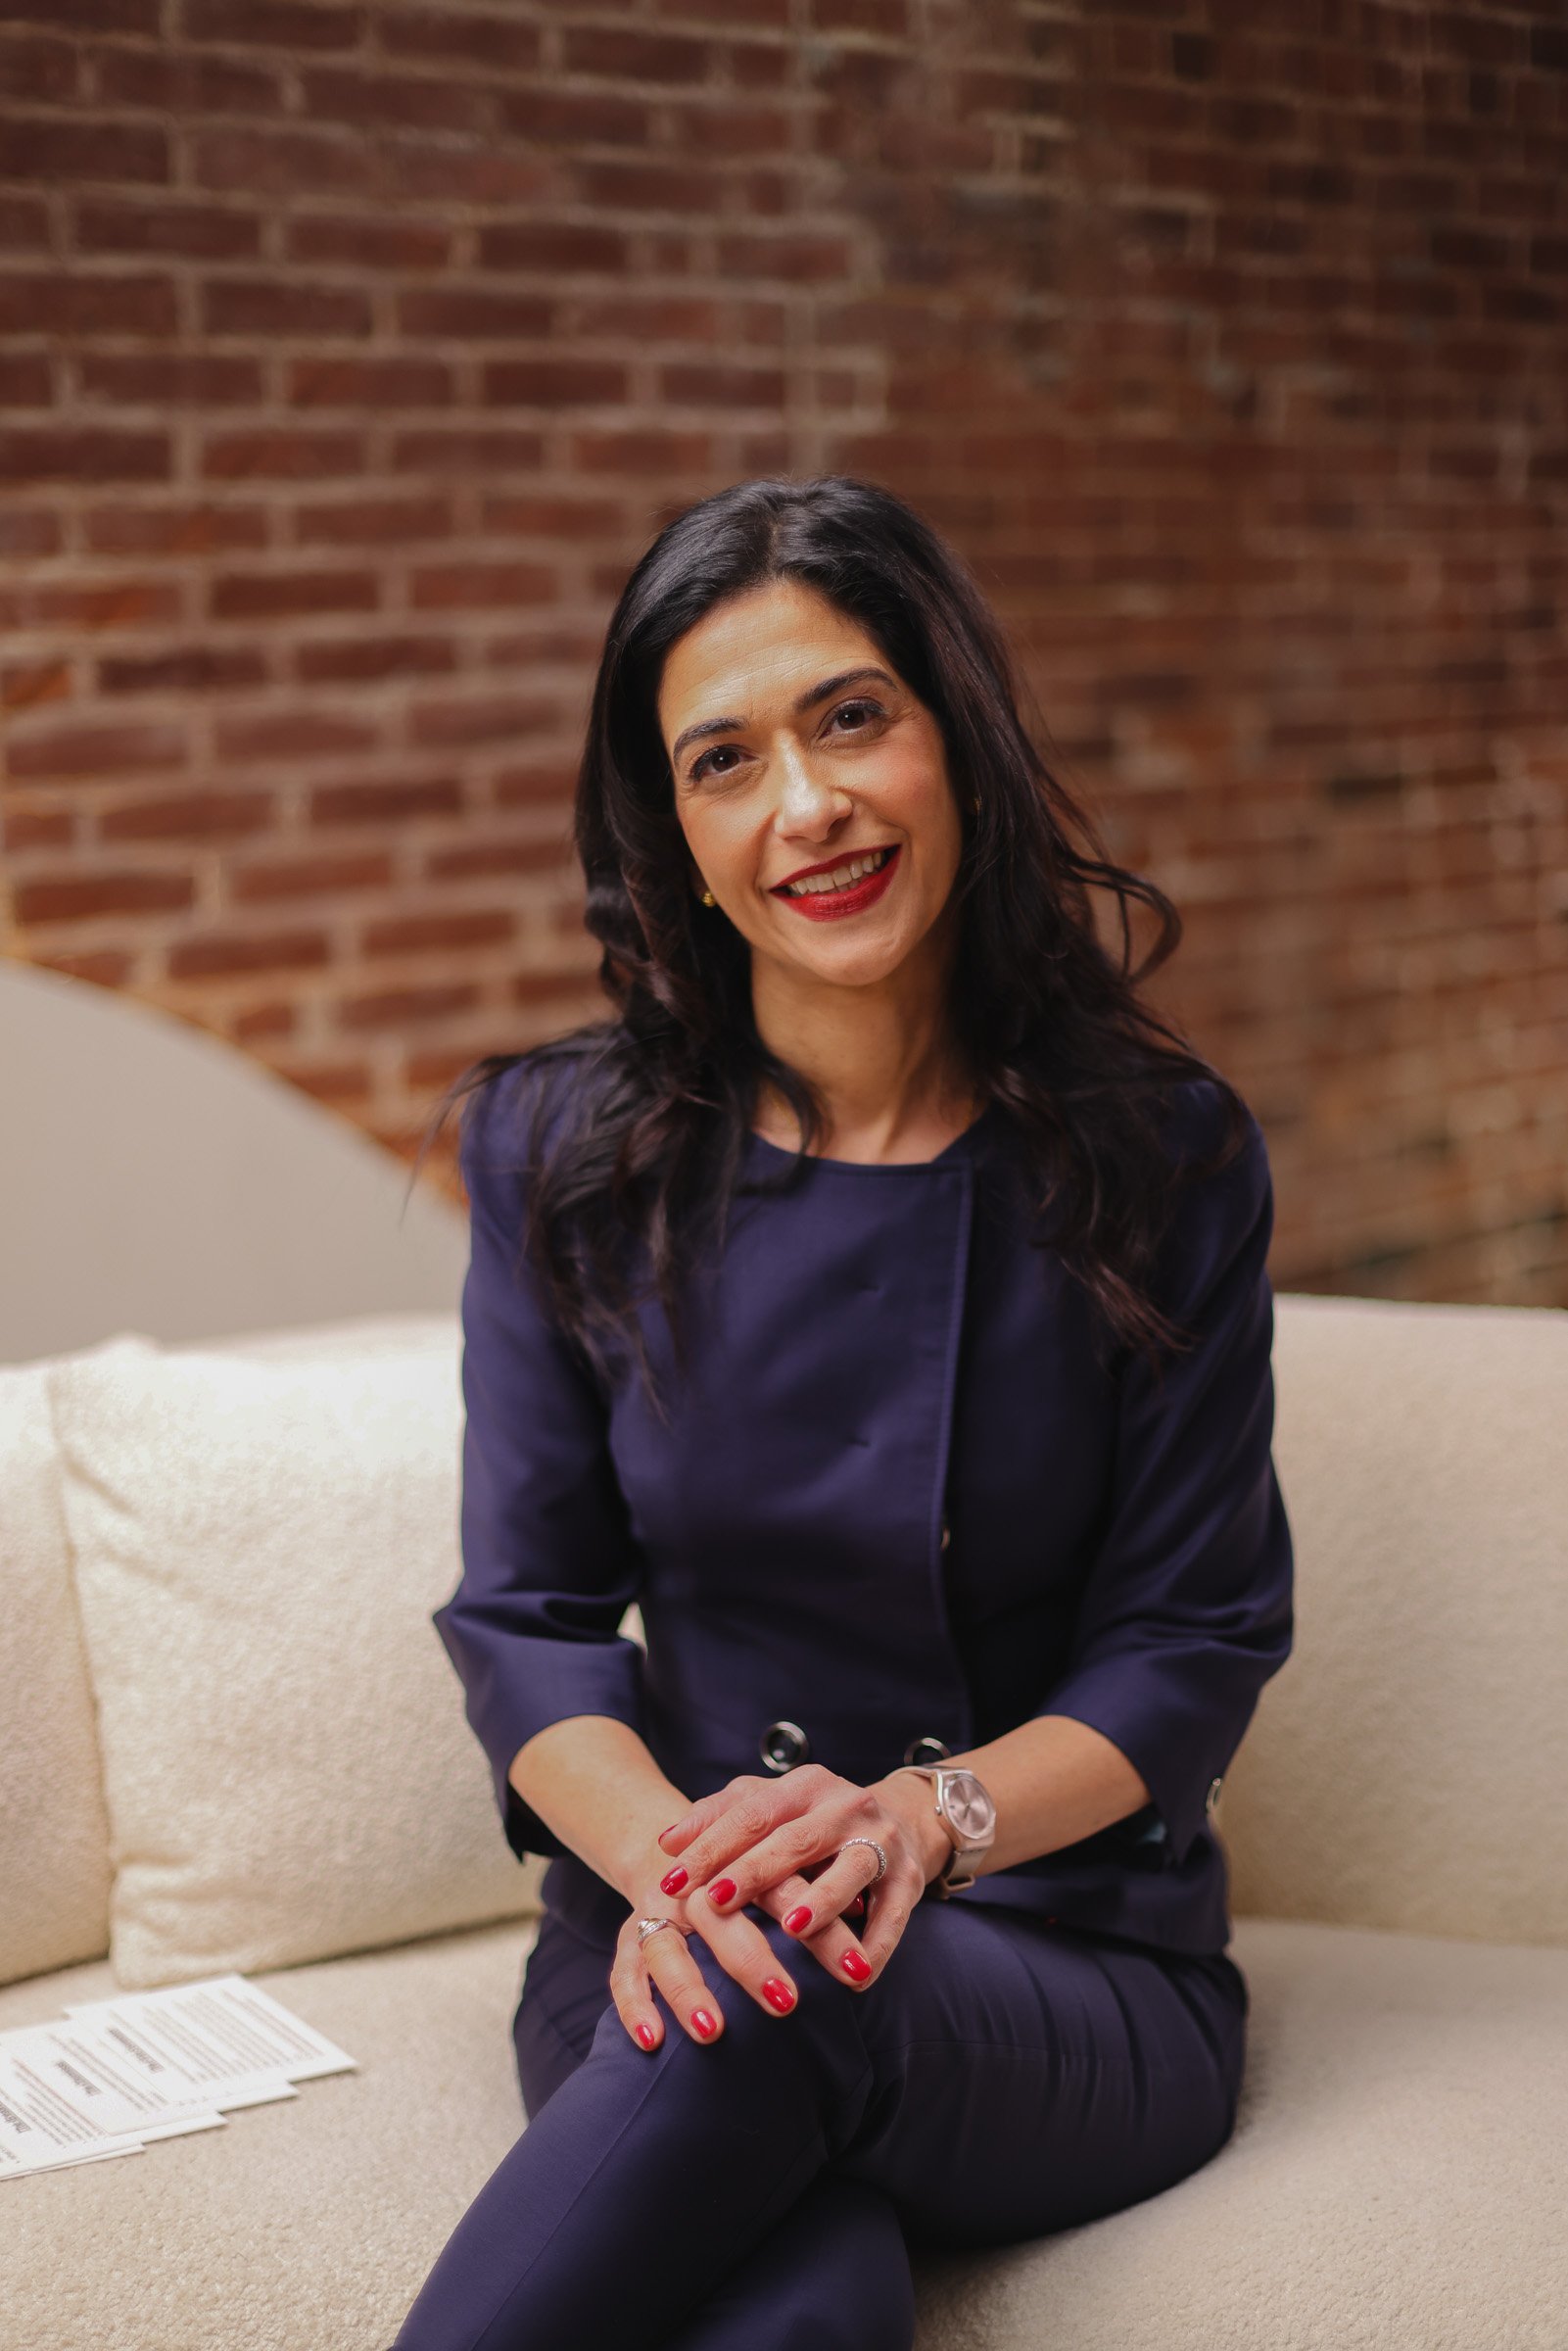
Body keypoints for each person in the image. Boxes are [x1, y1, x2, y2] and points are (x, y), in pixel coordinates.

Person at [390, 474, 1295, 2351]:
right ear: (680, 842)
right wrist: (670, 1865)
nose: (803, 807)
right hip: (667, 1925)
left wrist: (911, 1825)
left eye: (850, 718)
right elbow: (528, 1619)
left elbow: (1188, 1643)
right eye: (722, 762)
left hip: (1066, 1966)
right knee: (796, 2315)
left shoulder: (1167, 1159)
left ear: (951, 734)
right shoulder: (558, 1157)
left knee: (782, 1976)